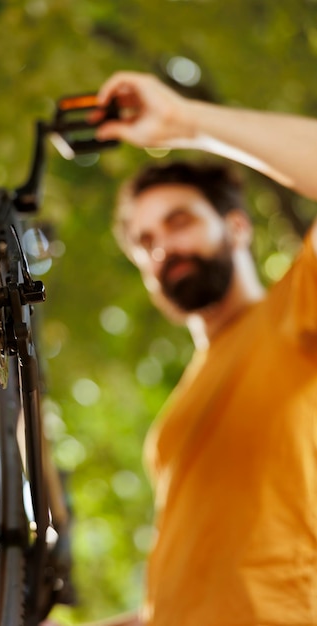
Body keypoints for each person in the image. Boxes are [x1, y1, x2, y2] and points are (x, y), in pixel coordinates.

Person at [44, 71, 317, 626]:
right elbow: (172, 604)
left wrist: (185, 122)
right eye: (145, 242)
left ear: (237, 228)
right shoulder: (178, 416)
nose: (163, 247)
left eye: (179, 221)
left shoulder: (296, 307)